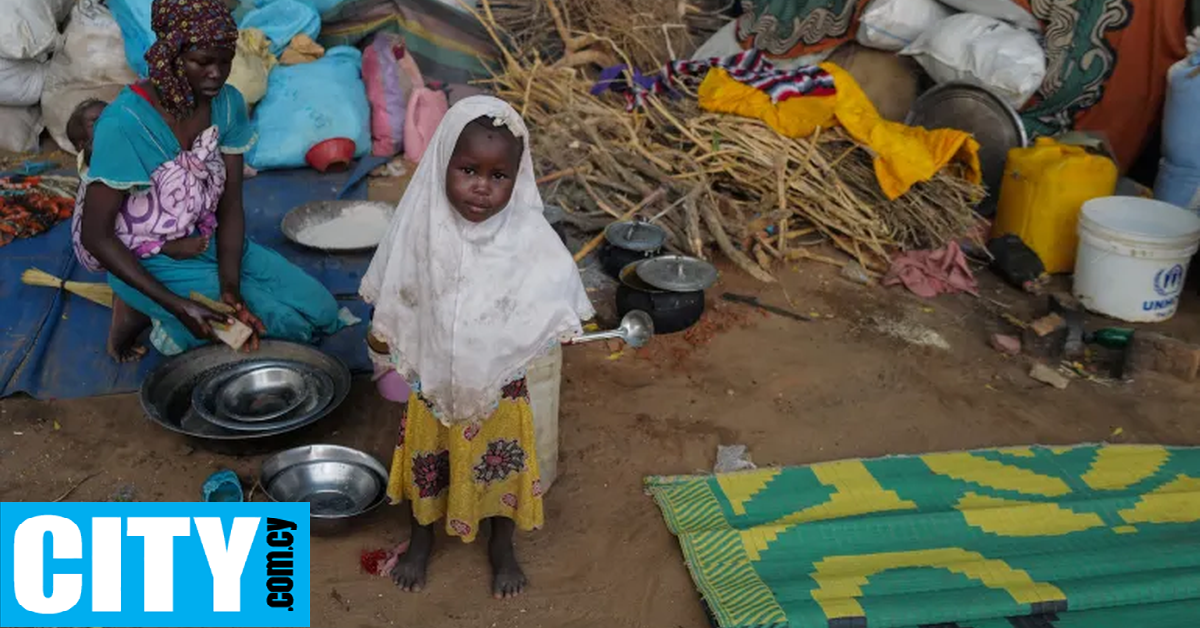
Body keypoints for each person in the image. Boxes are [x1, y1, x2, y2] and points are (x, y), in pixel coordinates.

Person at [360, 96, 594, 599]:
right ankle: (421, 541)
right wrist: (385, 335)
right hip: (430, 388)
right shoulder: (421, 226)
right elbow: (395, 288)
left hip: (499, 390)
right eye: (467, 170)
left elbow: (555, 286)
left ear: (517, 176)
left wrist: (557, 322)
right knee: (430, 464)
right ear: (443, 161)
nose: (482, 187)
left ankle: (501, 546)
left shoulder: (526, 233)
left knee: (501, 465)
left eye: (498, 176)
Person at [71, 0, 346, 362]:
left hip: (205, 240)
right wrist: (181, 306)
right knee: (292, 329)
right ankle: (167, 323)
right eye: (202, 62)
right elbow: (96, 236)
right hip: (147, 258)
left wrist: (230, 288)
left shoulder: (227, 104)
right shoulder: (125, 124)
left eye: (224, 60)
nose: (217, 74)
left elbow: (231, 205)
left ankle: (183, 314)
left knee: (323, 312)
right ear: (170, 56)